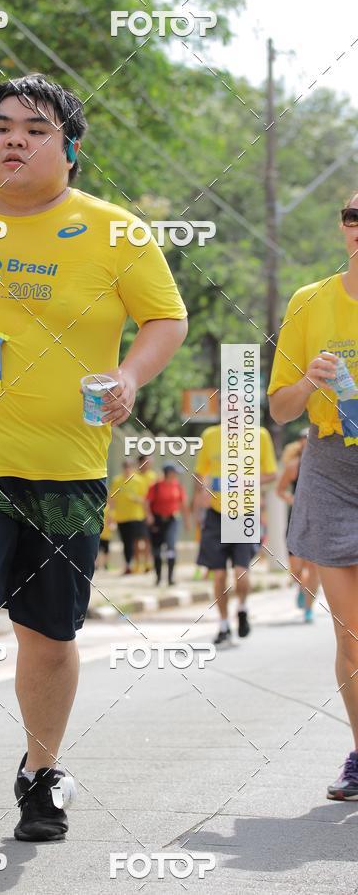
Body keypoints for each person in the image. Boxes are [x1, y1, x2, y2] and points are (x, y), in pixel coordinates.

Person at [0, 73, 187, 845]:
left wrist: (130, 374)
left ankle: (39, 773)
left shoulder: (114, 230)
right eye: (0, 126)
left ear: (70, 147)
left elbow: (166, 318)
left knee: (49, 635)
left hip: (67, 463)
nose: (14, 139)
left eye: (35, 127)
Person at [268, 192, 358, 801]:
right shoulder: (310, 301)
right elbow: (278, 408)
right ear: (342, 228)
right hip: (330, 466)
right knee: (350, 634)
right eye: (353, 216)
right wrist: (308, 379)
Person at [193, 422, 278, 645]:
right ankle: (223, 625)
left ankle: (241, 608)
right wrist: (201, 490)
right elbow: (200, 472)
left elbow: (271, 473)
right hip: (216, 513)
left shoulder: (260, 435)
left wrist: (246, 481)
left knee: (241, 573)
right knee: (219, 574)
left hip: (244, 513)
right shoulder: (210, 434)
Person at [276, 429, 319, 622]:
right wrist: (293, 500)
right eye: (305, 439)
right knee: (296, 570)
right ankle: (302, 588)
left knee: (314, 568)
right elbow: (279, 491)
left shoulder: (324, 467)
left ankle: (309, 608)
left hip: (318, 523)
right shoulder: (294, 466)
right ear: (300, 443)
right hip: (297, 522)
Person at [146, 463, 190, 586]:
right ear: (168, 473)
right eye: (174, 472)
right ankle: (158, 577)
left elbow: (183, 504)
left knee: (171, 547)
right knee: (157, 550)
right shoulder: (156, 486)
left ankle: (170, 578)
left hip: (172, 520)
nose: (176, 475)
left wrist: (187, 521)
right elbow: (147, 502)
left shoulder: (178, 486)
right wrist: (149, 516)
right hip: (157, 521)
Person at [110, 459, 149, 575]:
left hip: (136, 516)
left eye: (129, 467)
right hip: (121, 517)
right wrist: (111, 515)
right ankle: (128, 565)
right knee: (126, 542)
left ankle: (140, 564)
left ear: (132, 468)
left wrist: (136, 499)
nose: (127, 469)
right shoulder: (117, 481)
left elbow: (146, 499)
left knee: (137, 541)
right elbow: (112, 499)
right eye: (125, 467)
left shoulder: (139, 481)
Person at [136, 454, 159, 571]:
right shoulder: (134, 477)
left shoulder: (153, 476)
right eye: (146, 462)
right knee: (137, 540)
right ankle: (138, 563)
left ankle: (147, 563)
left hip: (151, 513)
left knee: (148, 539)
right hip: (136, 513)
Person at [96, 501, 114, 571]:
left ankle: (105, 565)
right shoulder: (101, 508)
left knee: (105, 550)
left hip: (105, 533)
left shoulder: (107, 509)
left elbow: (111, 520)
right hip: (101, 533)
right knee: (100, 550)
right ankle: (98, 565)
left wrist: (112, 526)